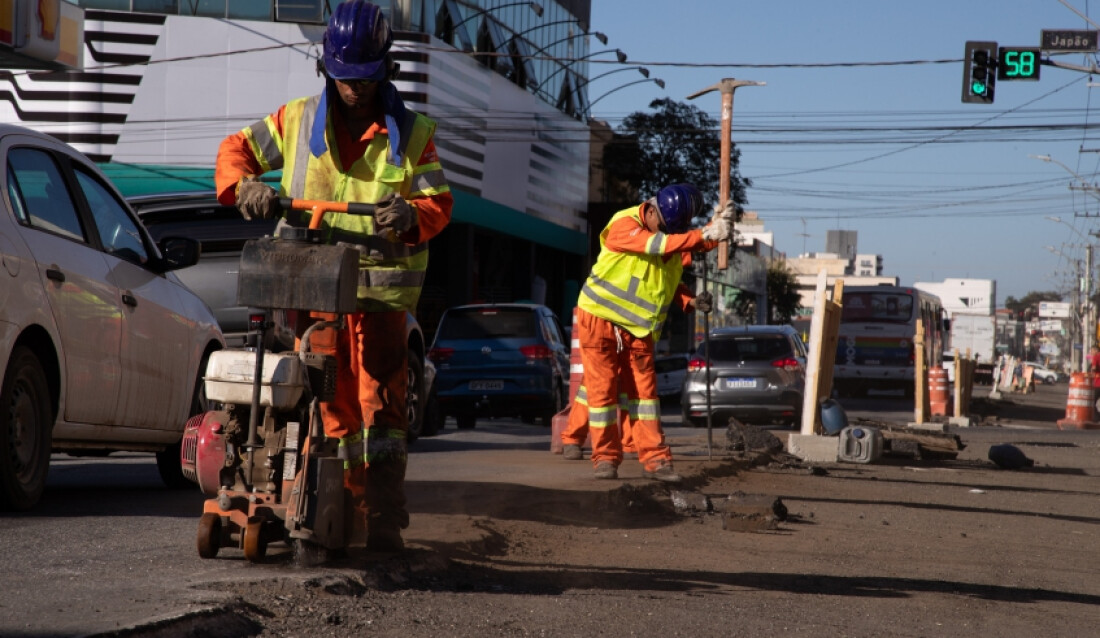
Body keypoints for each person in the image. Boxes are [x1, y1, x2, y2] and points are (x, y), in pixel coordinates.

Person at [215, 0, 452, 552]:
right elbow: (236, 152)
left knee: (383, 411)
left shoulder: (412, 136)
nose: (354, 89)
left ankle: (384, 519)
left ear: (384, 71)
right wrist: (244, 187)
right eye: (344, 78)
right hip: (315, 290)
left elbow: (439, 202)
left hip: (380, 298)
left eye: (364, 78)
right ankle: (338, 513)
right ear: (327, 70)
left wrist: (415, 215)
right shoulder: (295, 120)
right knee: (329, 403)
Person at [561, 183, 732, 482]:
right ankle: (605, 460)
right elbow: (658, 246)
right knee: (601, 395)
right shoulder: (625, 223)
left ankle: (656, 461)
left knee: (646, 397)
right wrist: (705, 234)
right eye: (663, 228)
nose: (665, 234)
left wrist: (716, 228)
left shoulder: (668, 239)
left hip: (638, 330)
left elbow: (664, 281)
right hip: (599, 319)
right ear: (651, 210)